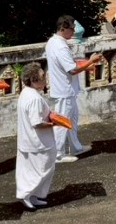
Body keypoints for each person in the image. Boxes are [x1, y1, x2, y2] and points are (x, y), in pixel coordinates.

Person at [45, 16, 100, 163]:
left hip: (66, 89)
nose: (74, 32)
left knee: (72, 120)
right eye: (71, 29)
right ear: (63, 28)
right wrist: (90, 61)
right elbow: (72, 69)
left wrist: (86, 65)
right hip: (64, 90)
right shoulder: (60, 46)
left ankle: (75, 147)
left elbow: (69, 65)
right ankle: (58, 154)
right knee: (62, 122)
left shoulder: (53, 42)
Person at [15, 63, 56, 211]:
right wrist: (54, 123)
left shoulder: (26, 93)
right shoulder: (34, 98)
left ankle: (32, 195)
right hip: (37, 142)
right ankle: (26, 195)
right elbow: (37, 123)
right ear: (33, 80)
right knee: (41, 170)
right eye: (42, 77)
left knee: (33, 170)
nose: (45, 79)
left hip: (29, 140)